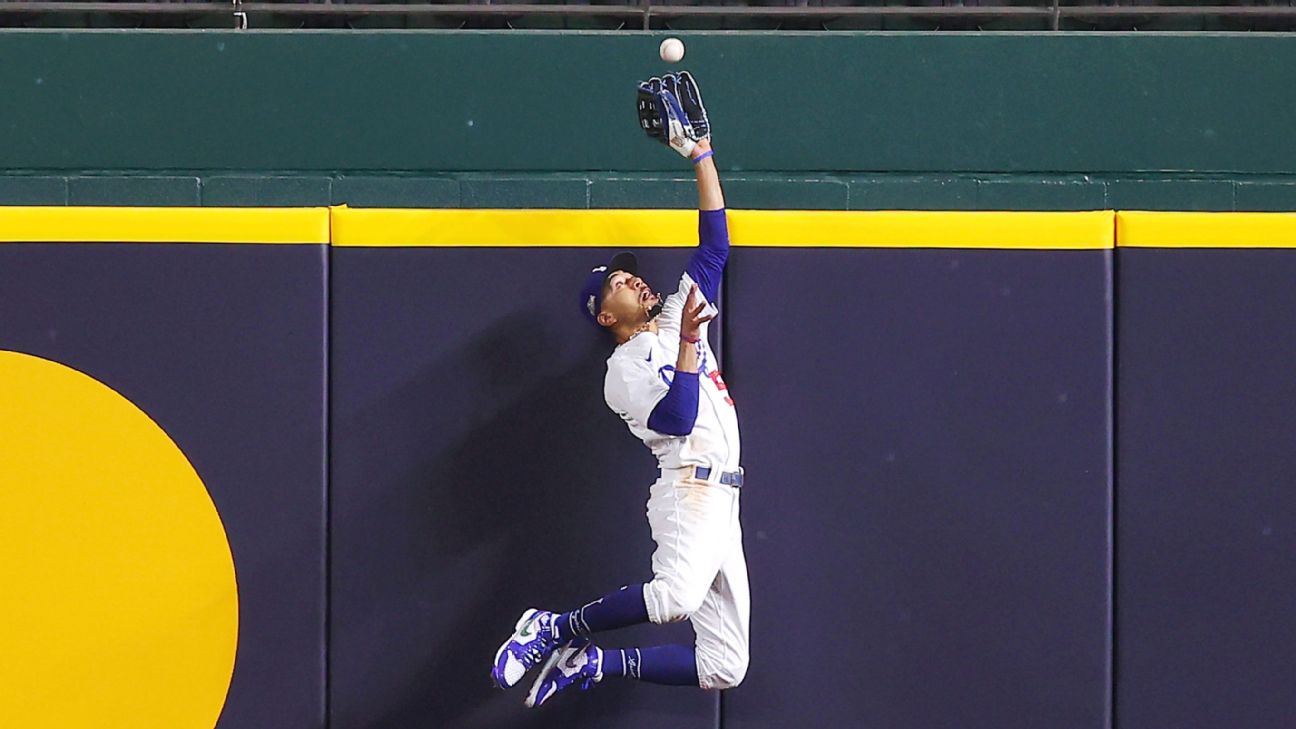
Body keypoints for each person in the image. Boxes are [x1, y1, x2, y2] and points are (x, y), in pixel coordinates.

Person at [490, 72, 750, 708]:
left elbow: (715, 245)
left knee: (725, 665)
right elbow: (681, 417)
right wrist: (690, 342)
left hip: (726, 496)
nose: (632, 283)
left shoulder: (671, 317)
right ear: (604, 315)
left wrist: (702, 156)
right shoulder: (622, 372)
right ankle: (550, 628)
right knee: (672, 600)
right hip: (688, 486)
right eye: (616, 284)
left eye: (631, 278)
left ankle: (591, 664)